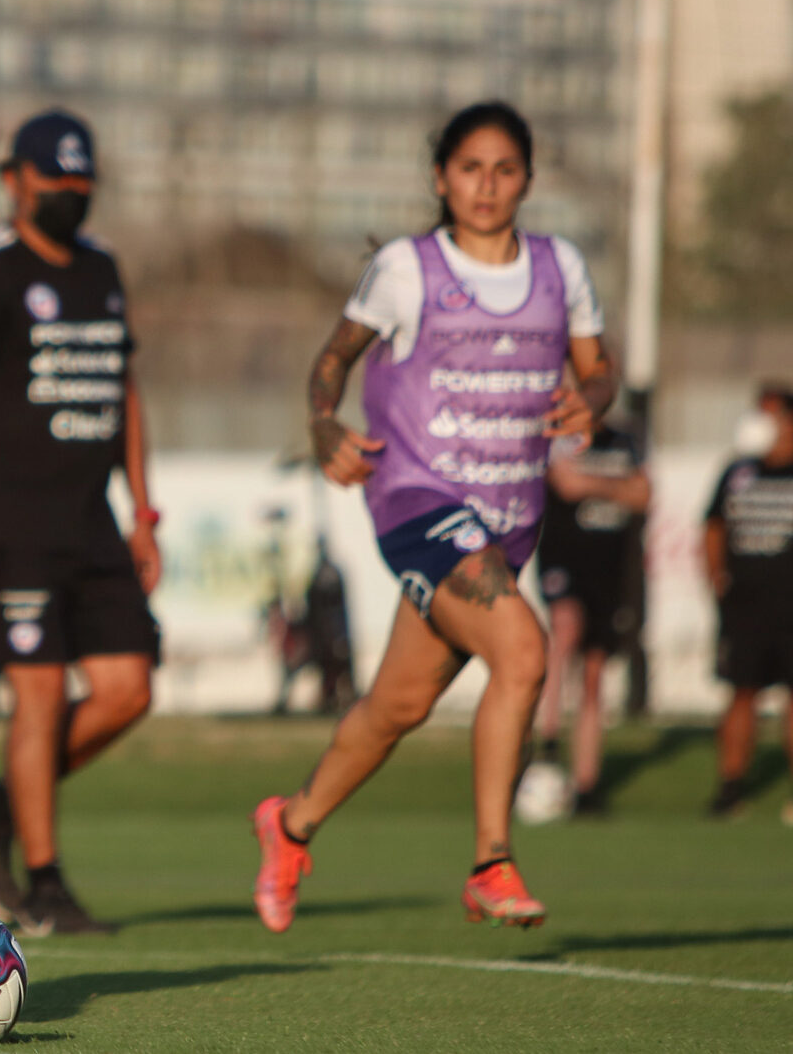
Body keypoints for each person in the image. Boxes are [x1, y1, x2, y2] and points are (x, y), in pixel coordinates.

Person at [251, 101, 616, 932]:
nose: (486, 186)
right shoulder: (411, 269)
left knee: (398, 706)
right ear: (440, 178)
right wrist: (322, 423)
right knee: (526, 649)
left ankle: (291, 821)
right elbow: (334, 357)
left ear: (527, 178)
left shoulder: (562, 267)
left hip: (508, 520)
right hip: (417, 499)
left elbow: (600, 372)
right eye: (469, 169)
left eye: (505, 170)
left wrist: (587, 399)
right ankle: (493, 860)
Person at [0, 111, 160, 937]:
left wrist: (143, 510)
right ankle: (47, 883)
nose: (68, 193)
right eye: (52, 179)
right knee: (40, 691)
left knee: (129, 690)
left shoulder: (102, 268)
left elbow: (123, 390)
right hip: (11, 523)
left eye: (79, 181)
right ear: (14, 179)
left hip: (94, 523)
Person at [527, 416, 650, 817]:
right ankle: (545, 743)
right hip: (565, 559)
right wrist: (618, 488)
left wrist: (595, 485)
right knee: (565, 629)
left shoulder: (623, 442)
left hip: (609, 567)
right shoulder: (559, 435)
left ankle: (586, 784)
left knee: (595, 672)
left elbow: (644, 494)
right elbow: (565, 483)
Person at [702, 384, 793, 823]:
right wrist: (717, 580)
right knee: (741, 693)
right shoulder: (738, 471)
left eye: (769, 415)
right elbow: (713, 526)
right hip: (746, 606)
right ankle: (730, 788)